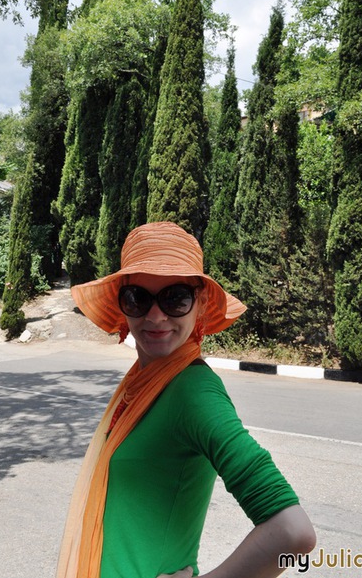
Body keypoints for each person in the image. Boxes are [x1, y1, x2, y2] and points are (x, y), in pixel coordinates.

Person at [57, 221, 316, 578]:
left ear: (201, 303)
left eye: (175, 298)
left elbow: (293, 532)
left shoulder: (193, 391)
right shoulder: (142, 381)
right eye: (137, 298)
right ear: (122, 305)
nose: (155, 316)